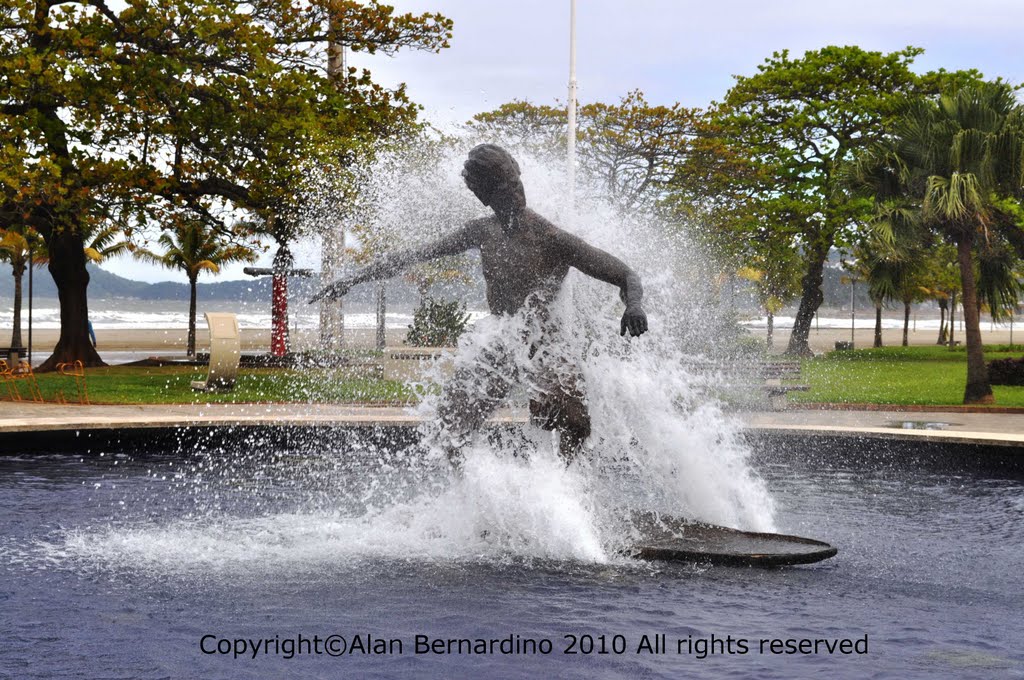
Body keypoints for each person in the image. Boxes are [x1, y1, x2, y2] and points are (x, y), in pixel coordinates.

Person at [310, 144, 648, 465]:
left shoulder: (552, 239)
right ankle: (478, 505)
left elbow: (626, 274)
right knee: (448, 426)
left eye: (517, 184)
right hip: (502, 341)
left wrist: (634, 306)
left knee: (576, 424)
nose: (515, 194)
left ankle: (562, 492)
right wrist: (351, 279)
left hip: (546, 345)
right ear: (484, 196)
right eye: (503, 190)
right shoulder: (481, 232)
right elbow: (415, 255)